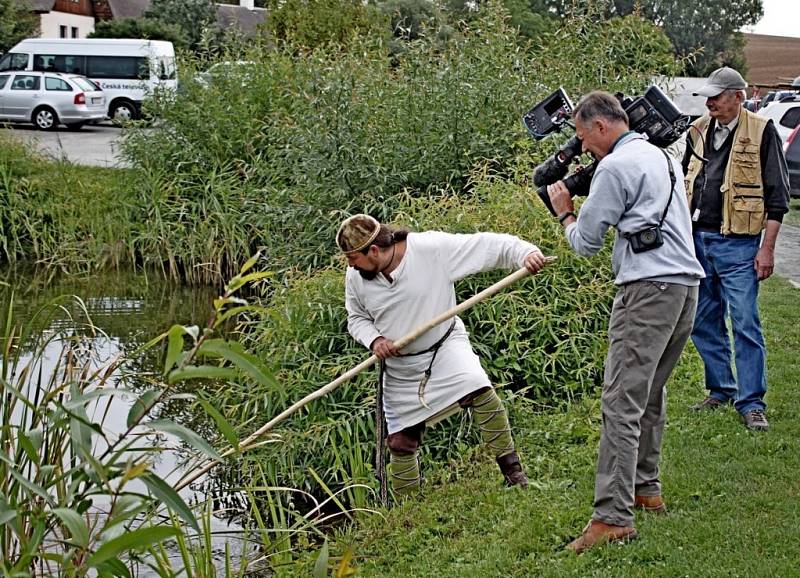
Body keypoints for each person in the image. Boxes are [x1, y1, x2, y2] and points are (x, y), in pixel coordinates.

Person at [546, 91, 705, 553]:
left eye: (582, 137)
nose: (583, 148)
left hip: (646, 290)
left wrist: (564, 212)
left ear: (599, 126)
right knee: (650, 393)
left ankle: (612, 517)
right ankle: (645, 489)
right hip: (684, 286)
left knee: (621, 402)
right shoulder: (658, 156)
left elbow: (585, 243)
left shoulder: (614, 168)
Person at [337, 214, 547, 498]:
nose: (350, 265)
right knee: (400, 441)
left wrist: (526, 253)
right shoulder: (356, 277)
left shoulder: (428, 249)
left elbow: (486, 246)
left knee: (480, 390)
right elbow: (356, 319)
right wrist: (375, 340)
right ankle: (408, 510)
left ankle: (514, 475)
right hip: (400, 368)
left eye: (353, 258)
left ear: (373, 250)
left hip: (445, 346)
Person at [682, 67, 790, 431]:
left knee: (745, 322)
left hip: (740, 245)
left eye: (717, 95)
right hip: (698, 241)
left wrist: (767, 249)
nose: (710, 101)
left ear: (738, 97)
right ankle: (721, 388)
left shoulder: (763, 131)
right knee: (700, 320)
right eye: (708, 96)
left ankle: (752, 402)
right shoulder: (696, 130)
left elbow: (778, 198)